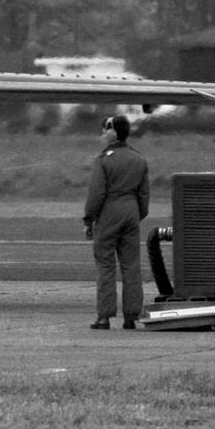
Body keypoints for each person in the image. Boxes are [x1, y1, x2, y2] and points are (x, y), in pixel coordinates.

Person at [83, 114, 149, 330]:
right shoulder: (139, 159)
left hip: (110, 211)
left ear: (114, 131)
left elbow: (96, 193)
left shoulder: (104, 160)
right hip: (131, 211)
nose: (103, 134)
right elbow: (144, 195)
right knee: (131, 266)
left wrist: (89, 218)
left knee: (105, 264)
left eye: (105, 129)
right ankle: (131, 316)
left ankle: (104, 316)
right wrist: (136, 215)